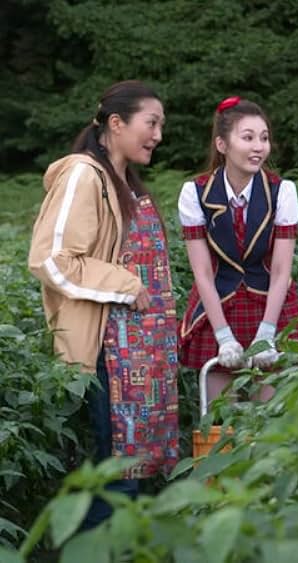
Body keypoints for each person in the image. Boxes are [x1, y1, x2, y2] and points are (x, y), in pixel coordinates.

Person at [27, 80, 179, 530]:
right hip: (104, 352)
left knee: (122, 471)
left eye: (161, 125)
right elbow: (51, 260)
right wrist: (128, 284)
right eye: (151, 124)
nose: (158, 135)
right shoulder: (83, 175)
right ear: (116, 123)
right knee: (115, 473)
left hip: (134, 350)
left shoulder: (122, 181)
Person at [177, 96, 298, 403]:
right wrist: (223, 336)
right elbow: (203, 272)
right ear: (222, 145)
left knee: (274, 417)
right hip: (218, 305)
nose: (259, 147)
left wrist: (267, 332)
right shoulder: (195, 192)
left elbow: (280, 271)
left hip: (270, 304)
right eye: (247, 138)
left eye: (264, 138)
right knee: (222, 418)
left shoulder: (282, 191)